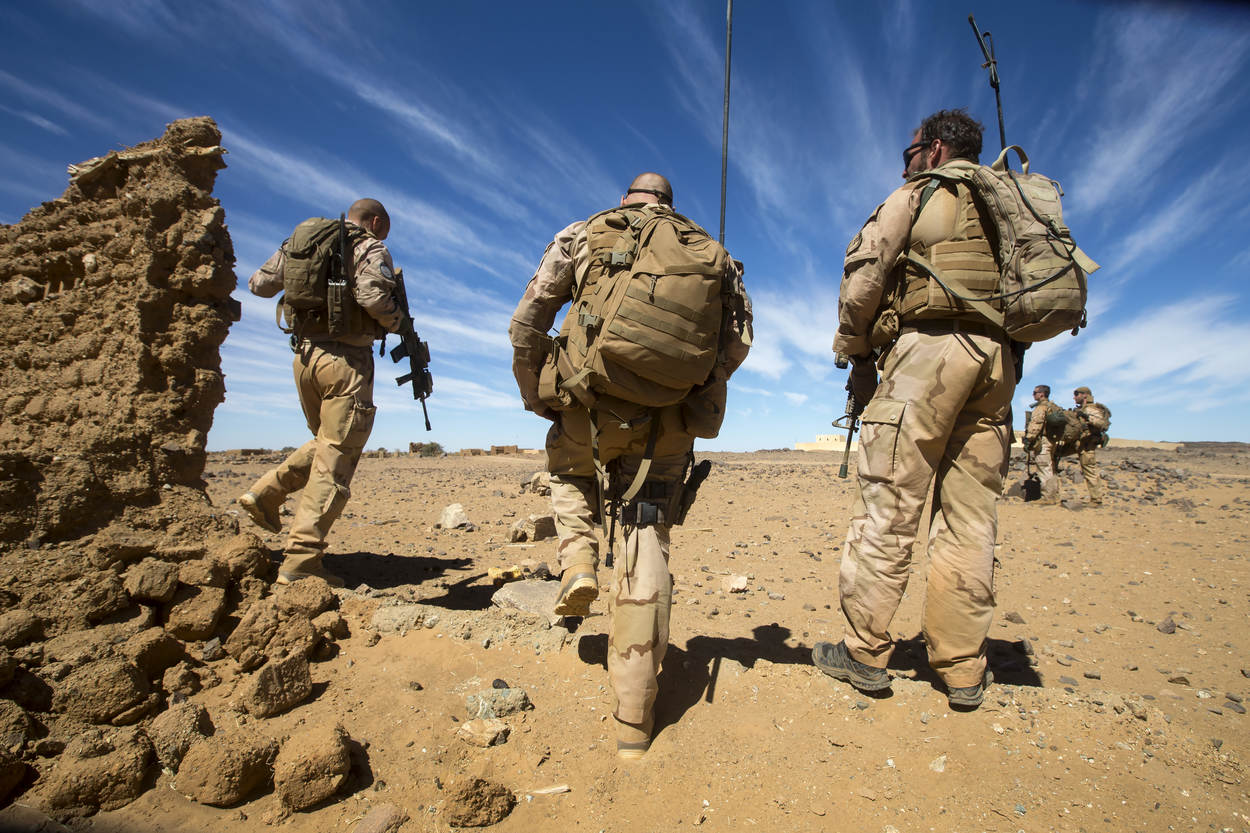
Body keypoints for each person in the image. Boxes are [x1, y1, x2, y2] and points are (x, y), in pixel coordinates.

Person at [509, 173, 750, 758]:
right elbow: (738, 341)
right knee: (647, 541)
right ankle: (634, 722)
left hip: (585, 404)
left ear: (627, 198)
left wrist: (534, 392)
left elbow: (528, 318)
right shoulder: (713, 254)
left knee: (569, 475)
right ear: (670, 203)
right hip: (667, 424)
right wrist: (689, 385)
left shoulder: (585, 233)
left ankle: (578, 562)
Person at [812, 109, 1012, 709]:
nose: (905, 164)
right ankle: (963, 668)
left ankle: (865, 653)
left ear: (936, 148)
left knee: (889, 508)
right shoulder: (1008, 203)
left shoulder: (921, 194)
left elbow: (864, 277)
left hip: (929, 355)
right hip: (998, 365)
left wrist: (854, 350)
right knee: (970, 521)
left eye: (910, 152)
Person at [237, 199, 404, 587]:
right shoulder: (368, 245)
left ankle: (266, 495)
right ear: (375, 221)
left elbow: (259, 284)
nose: (384, 235)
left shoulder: (302, 241)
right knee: (337, 456)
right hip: (345, 362)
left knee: (327, 442)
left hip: (304, 357)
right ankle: (302, 560)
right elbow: (373, 297)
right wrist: (396, 321)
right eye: (385, 229)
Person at [1070, 385, 1110, 506]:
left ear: (1085, 395)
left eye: (1076, 394)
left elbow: (1103, 424)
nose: (1074, 397)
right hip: (1081, 444)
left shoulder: (1091, 409)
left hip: (1088, 445)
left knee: (1090, 471)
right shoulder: (1083, 409)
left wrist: (1088, 418)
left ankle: (1096, 499)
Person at [1024, 384, 1060, 504]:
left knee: (1044, 469)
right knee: (1051, 468)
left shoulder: (1041, 408)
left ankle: (1048, 498)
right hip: (1052, 441)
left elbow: (1035, 425)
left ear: (1041, 394)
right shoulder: (1054, 407)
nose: (1033, 395)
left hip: (1043, 442)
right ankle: (1055, 495)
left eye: (1035, 393)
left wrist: (1028, 439)